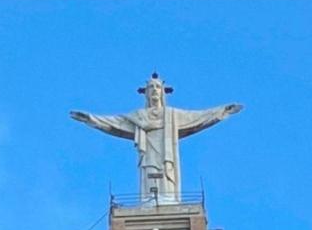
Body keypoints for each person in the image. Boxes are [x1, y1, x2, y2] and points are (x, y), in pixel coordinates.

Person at [70, 73, 243, 204]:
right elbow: (113, 123)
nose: (154, 90)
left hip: (167, 158)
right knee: (149, 180)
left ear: (163, 92)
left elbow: (199, 117)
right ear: (145, 93)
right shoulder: (138, 116)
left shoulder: (172, 115)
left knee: (166, 183)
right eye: (151, 87)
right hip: (148, 157)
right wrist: (90, 119)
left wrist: (221, 112)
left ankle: (167, 200)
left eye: (157, 87)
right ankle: (150, 200)